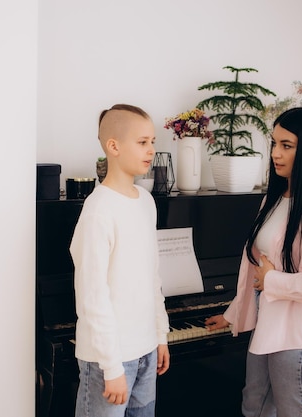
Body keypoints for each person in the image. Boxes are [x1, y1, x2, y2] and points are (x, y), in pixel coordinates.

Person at [205, 107, 302, 417]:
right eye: (274, 143)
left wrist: (273, 280)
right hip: (268, 325)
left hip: (300, 337)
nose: (275, 153)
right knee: (255, 407)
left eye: (286, 146)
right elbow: (259, 267)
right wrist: (233, 312)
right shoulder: (274, 198)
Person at [70, 104, 171, 417]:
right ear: (113, 146)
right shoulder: (98, 210)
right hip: (109, 359)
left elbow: (151, 278)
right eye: (142, 142)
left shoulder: (147, 202)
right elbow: (92, 296)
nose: (151, 150)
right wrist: (111, 366)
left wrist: (160, 335)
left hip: (145, 351)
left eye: (152, 142)